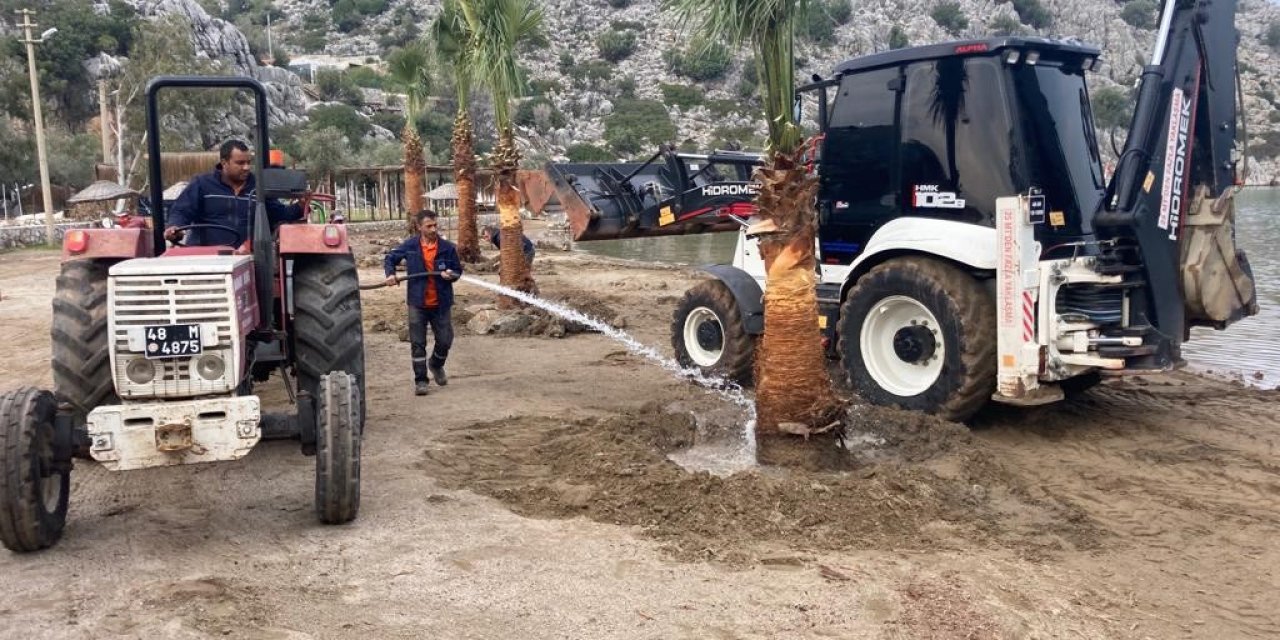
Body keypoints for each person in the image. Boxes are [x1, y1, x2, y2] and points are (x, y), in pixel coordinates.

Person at [164, 139, 304, 247]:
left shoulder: (259, 186)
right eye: (240, 163)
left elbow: (279, 214)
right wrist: (175, 227)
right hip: (208, 257)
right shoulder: (202, 184)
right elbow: (182, 211)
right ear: (224, 163)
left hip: (247, 258)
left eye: (249, 162)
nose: (246, 167)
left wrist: (301, 206)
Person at [384, 210, 464, 396]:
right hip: (417, 303)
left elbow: (458, 270)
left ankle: (436, 364)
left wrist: (451, 275)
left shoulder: (447, 248)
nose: (433, 229)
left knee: (445, 340)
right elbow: (390, 258)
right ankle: (421, 381)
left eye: (435, 225)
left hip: (441, 303)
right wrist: (390, 274)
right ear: (419, 227)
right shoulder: (410, 246)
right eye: (429, 226)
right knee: (418, 343)